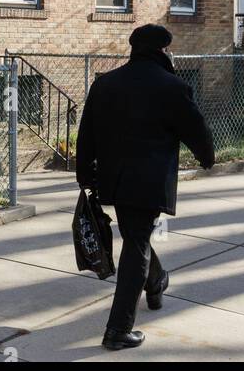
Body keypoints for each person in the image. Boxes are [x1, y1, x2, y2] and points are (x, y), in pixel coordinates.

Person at [75, 23, 215, 351]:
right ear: (161, 50)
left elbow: (86, 134)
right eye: (169, 49)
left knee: (136, 236)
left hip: (113, 180)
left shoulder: (105, 84)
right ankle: (118, 330)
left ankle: (156, 281)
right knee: (136, 243)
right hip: (148, 184)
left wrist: (85, 175)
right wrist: (207, 157)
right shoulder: (172, 87)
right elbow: (196, 128)